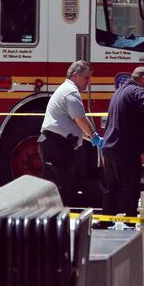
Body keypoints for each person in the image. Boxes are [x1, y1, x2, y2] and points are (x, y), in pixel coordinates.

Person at [101, 66, 144, 219]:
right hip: (125, 149)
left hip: (110, 148)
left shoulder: (119, 91)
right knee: (130, 187)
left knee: (112, 187)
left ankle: (106, 220)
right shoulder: (135, 91)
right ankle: (130, 221)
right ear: (142, 78)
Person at [39, 60, 102, 204]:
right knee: (60, 186)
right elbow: (80, 120)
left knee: (58, 185)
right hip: (57, 144)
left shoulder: (66, 89)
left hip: (56, 143)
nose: (89, 81)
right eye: (86, 77)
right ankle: (58, 221)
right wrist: (94, 137)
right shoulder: (71, 92)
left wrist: (91, 138)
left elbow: (74, 124)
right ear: (75, 76)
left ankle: (55, 219)